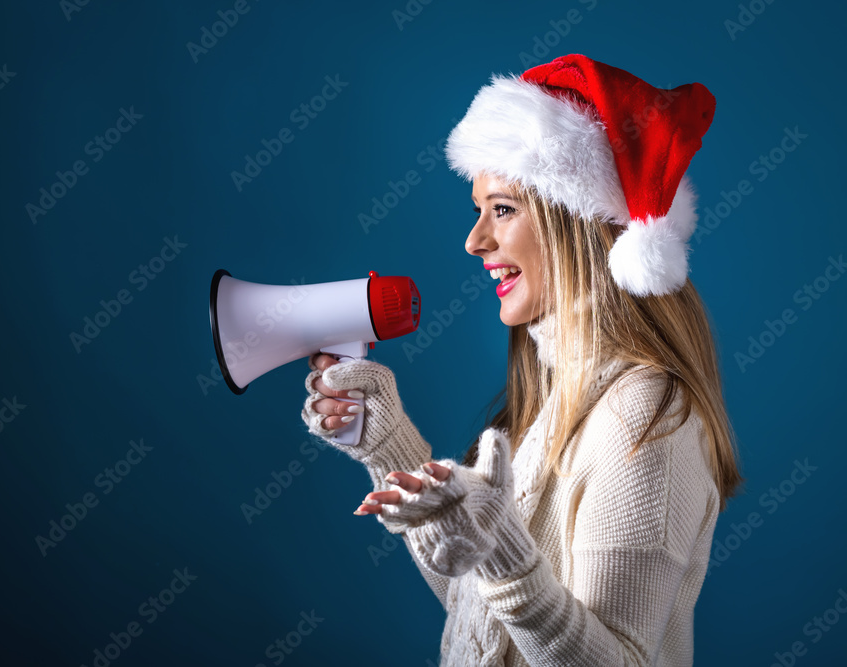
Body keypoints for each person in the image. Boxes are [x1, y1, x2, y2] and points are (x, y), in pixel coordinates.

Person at [301, 53, 744, 666]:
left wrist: (505, 551)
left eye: (502, 210)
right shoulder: (557, 401)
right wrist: (389, 447)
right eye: (478, 210)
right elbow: (485, 623)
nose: (475, 241)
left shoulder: (645, 415)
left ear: (577, 223)